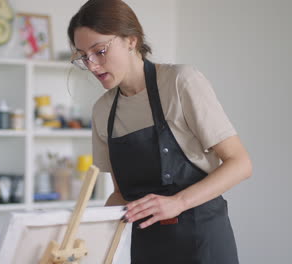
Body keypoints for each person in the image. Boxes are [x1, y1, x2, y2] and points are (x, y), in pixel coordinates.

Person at [68, 0, 252, 263]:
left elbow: (241, 163)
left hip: (202, 241)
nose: (93, 66)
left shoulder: (180, 82)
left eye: (100, 51)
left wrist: (177, 202)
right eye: (84, 56)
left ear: (131, 40)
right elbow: (122, 194)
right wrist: (83, 235)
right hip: (146, 246)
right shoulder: (102, 111)